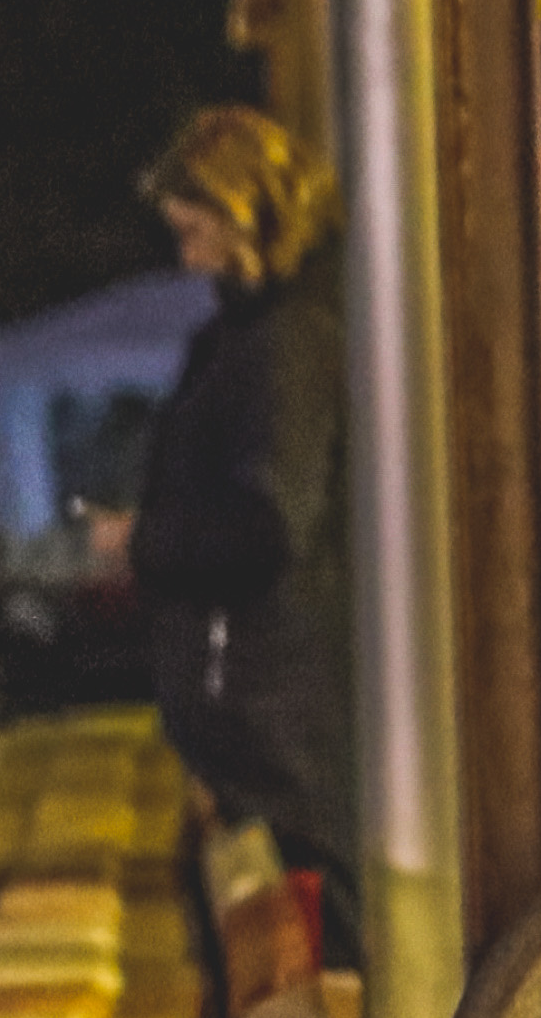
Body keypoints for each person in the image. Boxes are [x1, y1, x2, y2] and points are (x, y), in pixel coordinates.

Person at [108, 104, 359, 947]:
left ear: (246, 214)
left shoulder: (282, 344)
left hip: (273, 713)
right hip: (265, 707)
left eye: (194, 232)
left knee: (305, 930)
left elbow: (269, 526)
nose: (186, 258)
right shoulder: (261, 334)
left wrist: (141, 541)